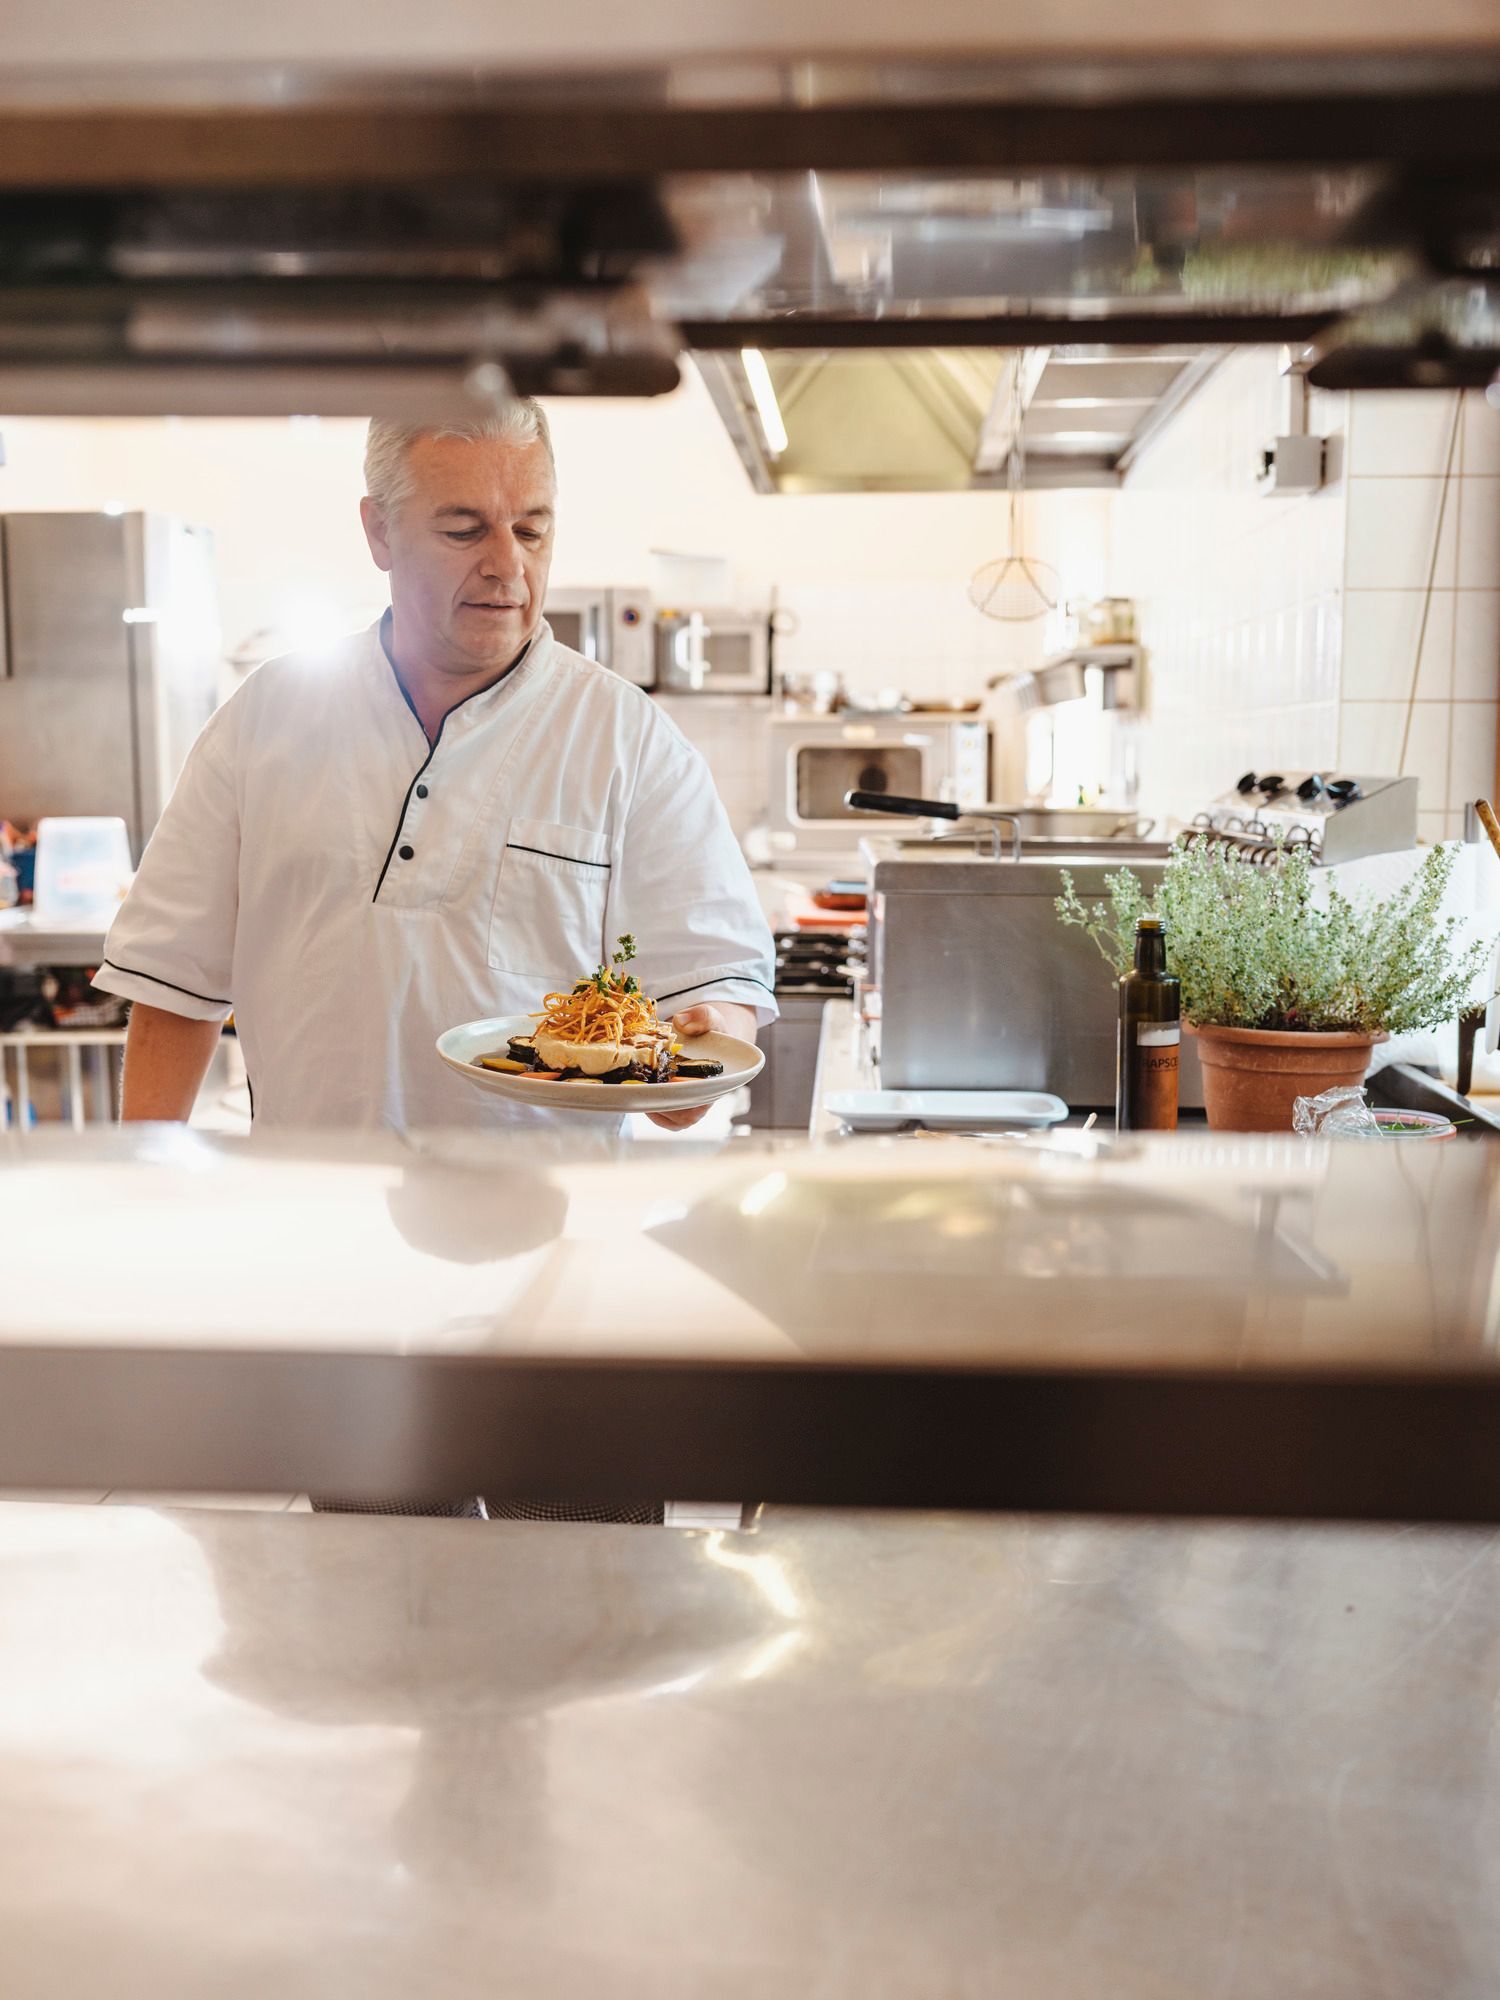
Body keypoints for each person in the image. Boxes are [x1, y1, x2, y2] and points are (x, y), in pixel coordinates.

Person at [92, 400, 777, 1134]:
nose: (507, 564)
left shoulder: (630, 742)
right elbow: (173, 988)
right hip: (306, 1216)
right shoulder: (268, 718)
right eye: (464, 529)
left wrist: (704, 1044)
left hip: (545, 1229)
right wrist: (145, 1185)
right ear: (379, 530)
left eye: (532, 529)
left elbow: (713, 985)